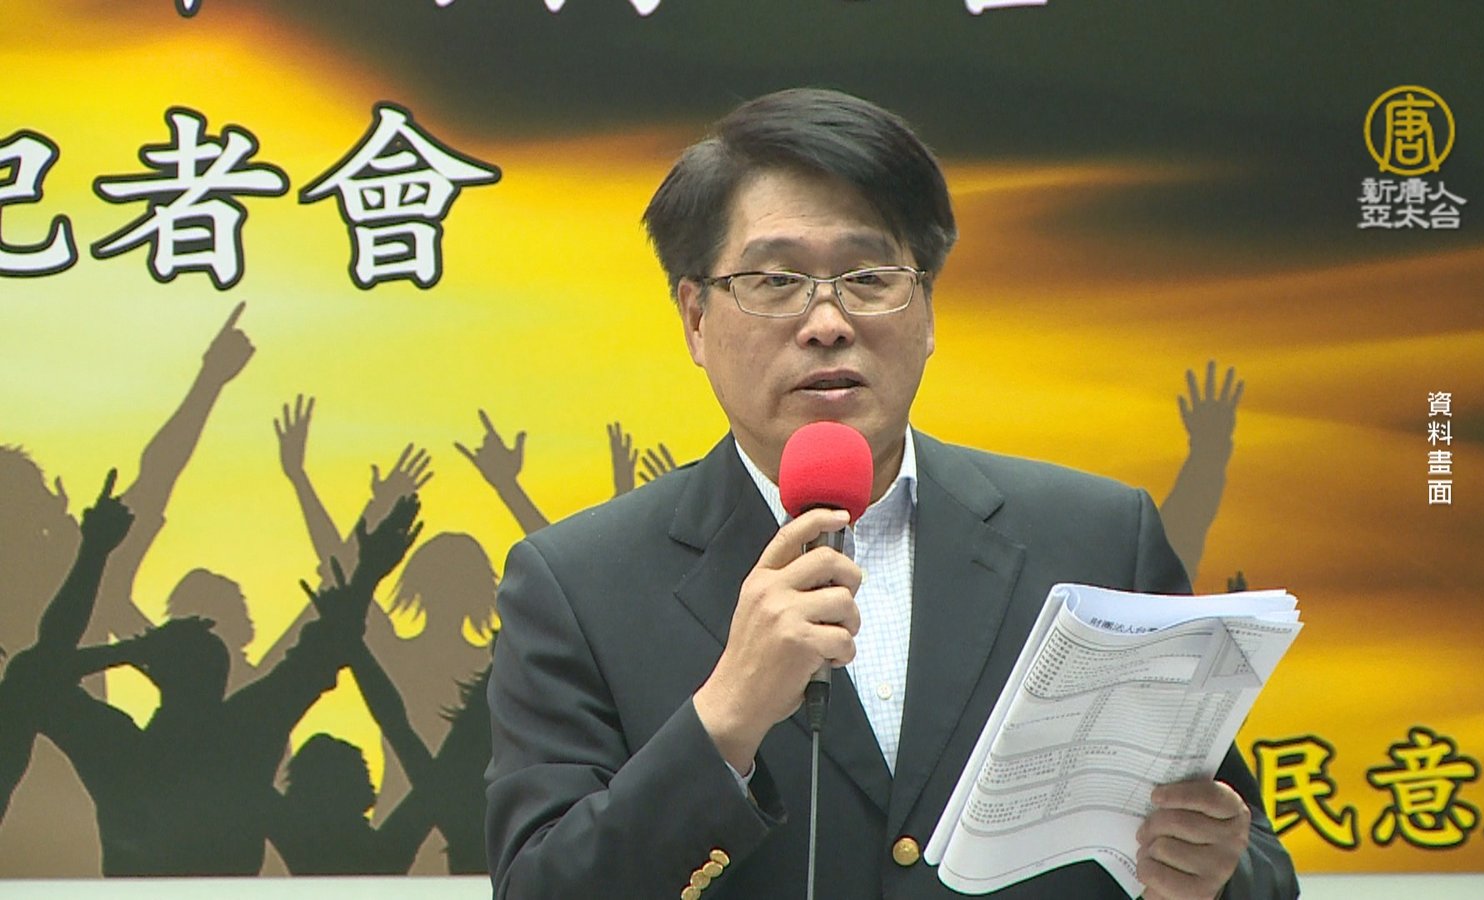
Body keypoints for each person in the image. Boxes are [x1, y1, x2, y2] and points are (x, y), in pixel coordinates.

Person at [486, 88, 1298, 900]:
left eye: (870, 277)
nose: (827, 321)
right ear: (696, 318)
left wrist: (1214, 872)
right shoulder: (576, 586)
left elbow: (1253, 865)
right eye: (777, 280)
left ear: (929, 310)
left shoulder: (1099, 538)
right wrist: (725, 718)